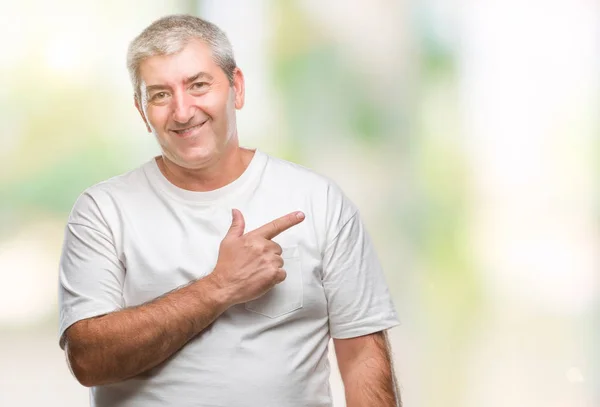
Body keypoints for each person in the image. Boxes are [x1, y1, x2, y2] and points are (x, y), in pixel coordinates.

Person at [58, 14, 401, 407]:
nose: (183, 111)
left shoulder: (317, 200)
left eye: (198, 85)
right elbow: (88, 359)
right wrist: (220, 286)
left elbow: (363, 359)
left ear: (236, 88)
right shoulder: (103, 211)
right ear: (141, 110)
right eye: (160, 94)